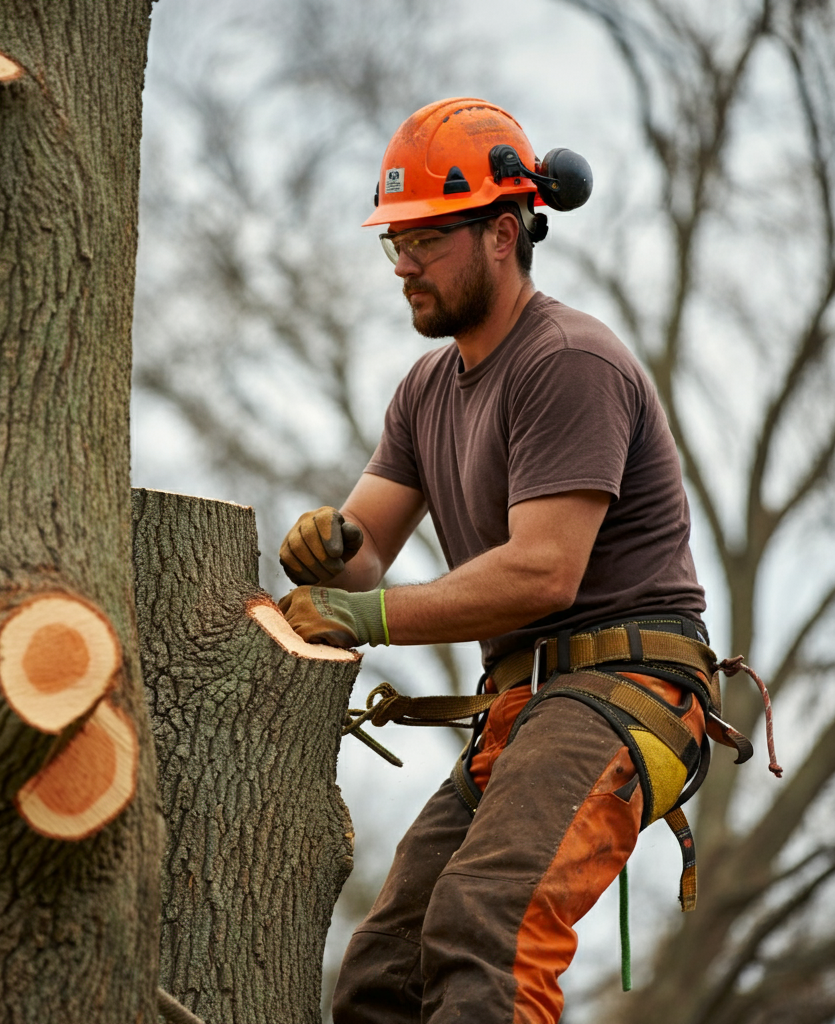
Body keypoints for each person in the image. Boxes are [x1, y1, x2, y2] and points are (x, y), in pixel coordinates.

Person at [277, 98, 718, 1024]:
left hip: (623, 686)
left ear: (504, 232)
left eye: (428, 239)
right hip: (521, 709)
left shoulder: (569, 361)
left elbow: (541, 574)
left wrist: (366, 617)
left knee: (486, 923)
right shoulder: (427, 387)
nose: (402, 264)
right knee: (380, 977)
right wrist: (326, 547)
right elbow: (363, 554)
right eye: (394, 240)